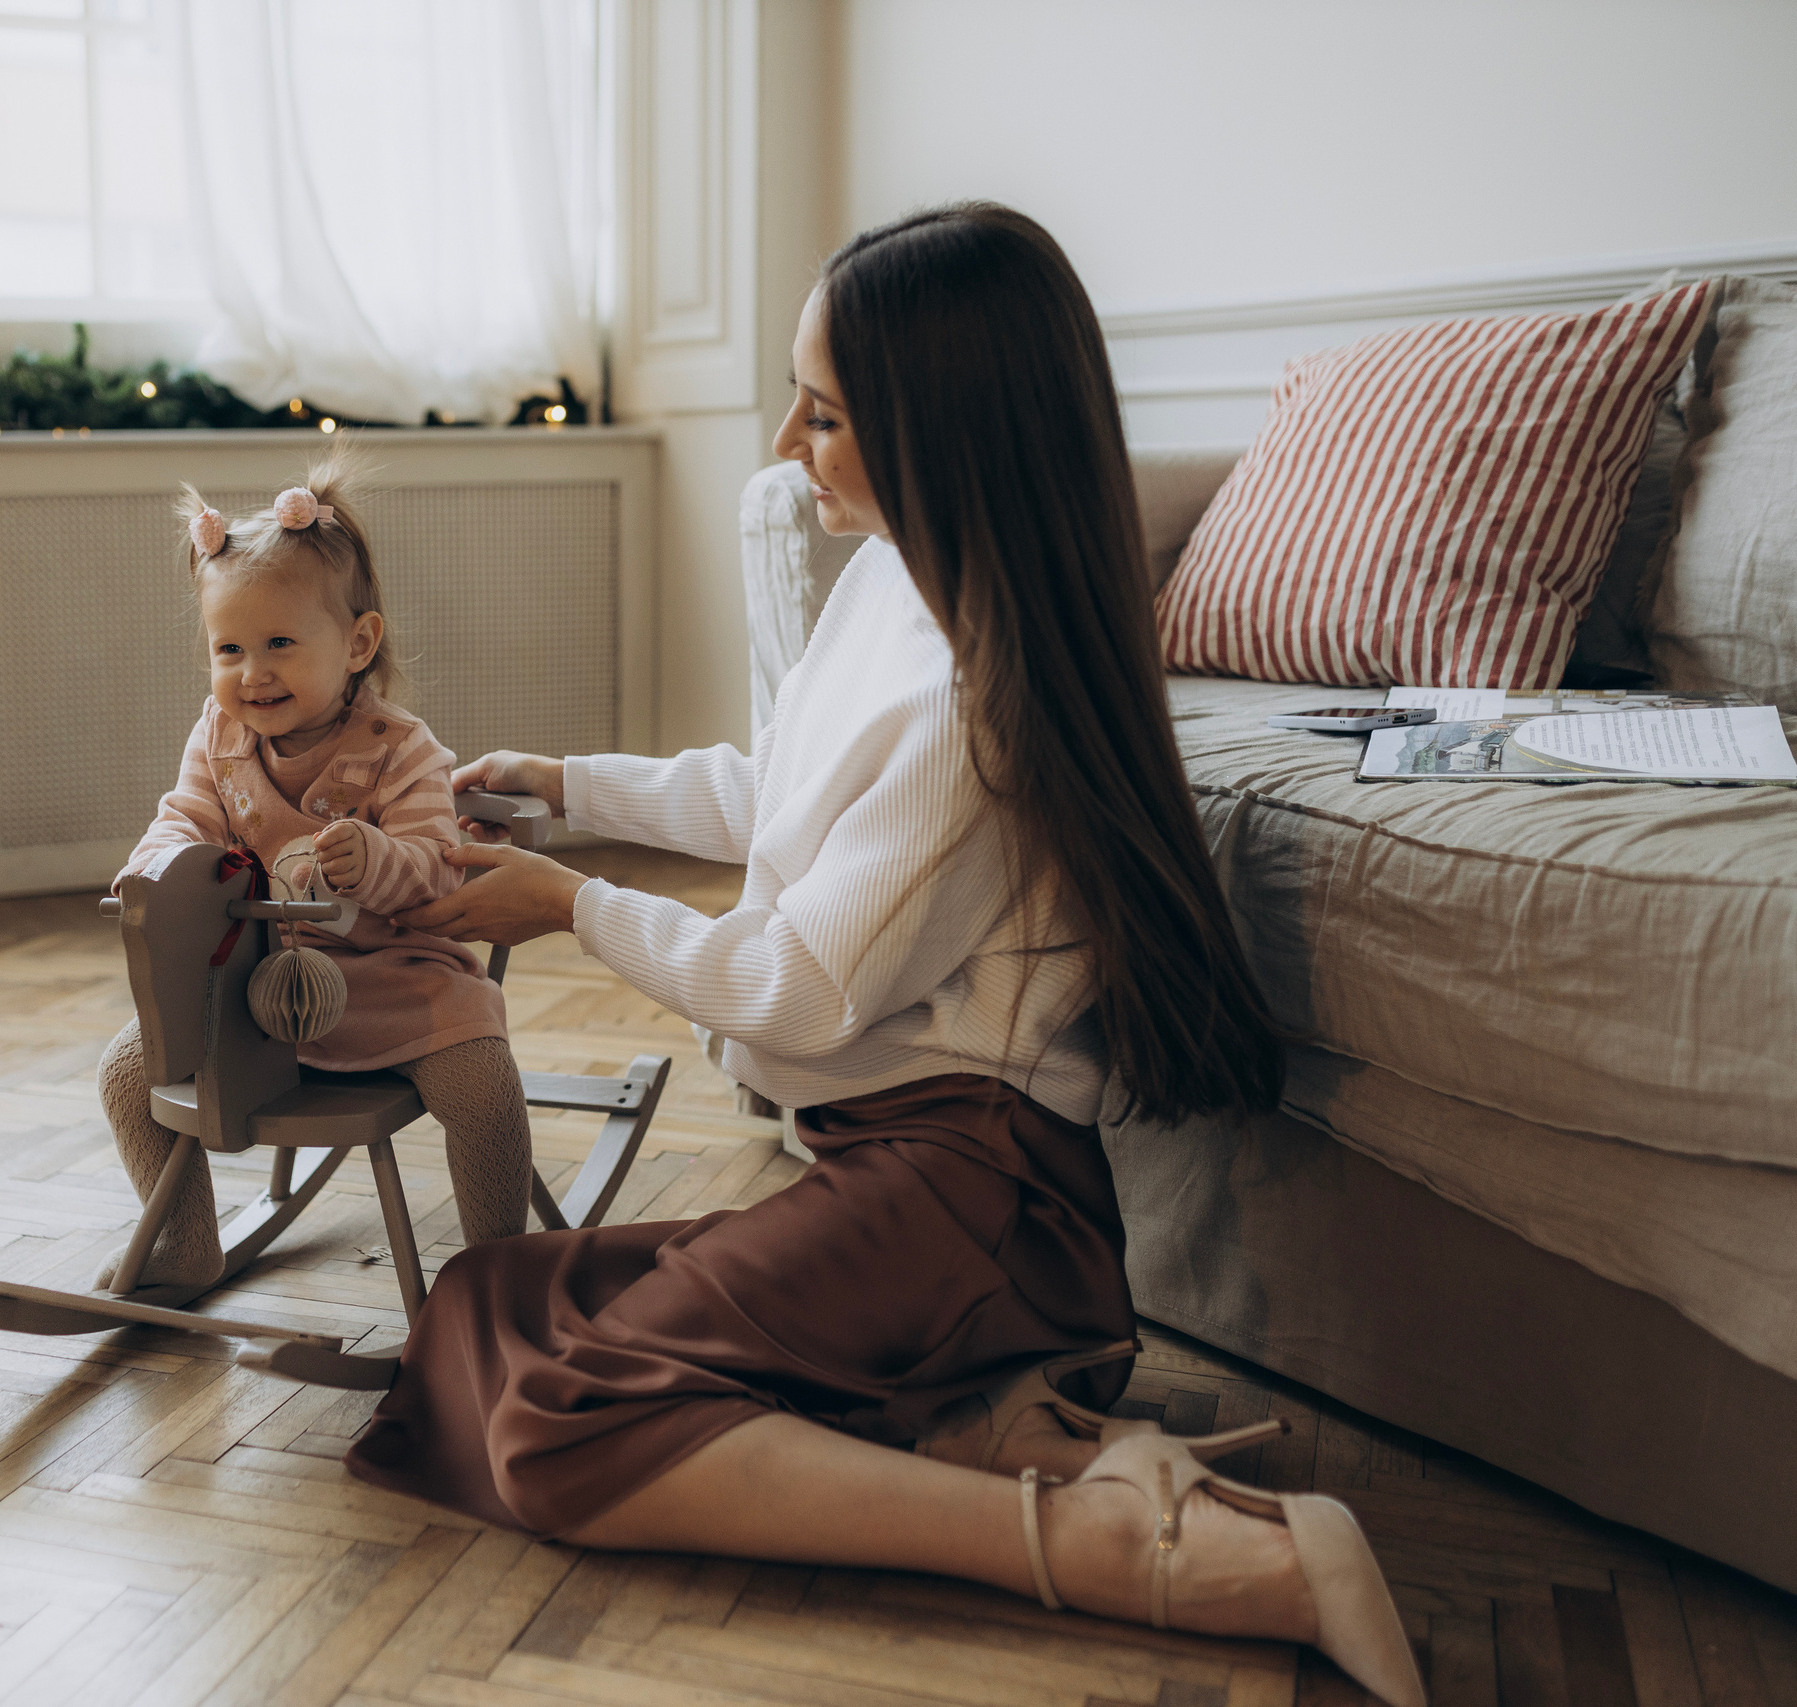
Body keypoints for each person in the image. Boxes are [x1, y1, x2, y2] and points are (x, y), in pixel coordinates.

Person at [352, 206, 1424, 1705]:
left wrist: (568, 900)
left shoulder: (973, 698)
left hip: (975, 1195)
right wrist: (573, 785)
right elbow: (780, 793)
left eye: (829, 410)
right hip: (892, 1169)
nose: (789, 434)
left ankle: (1155, 1550)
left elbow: (792, 979)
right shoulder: (889, 581)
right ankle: (977, 1414)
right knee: (485, 1305)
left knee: (556, 1420)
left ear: (943, 429)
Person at [96, 457, 533, 1290]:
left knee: (482, 1083)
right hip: (258, 988)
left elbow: (441, 870)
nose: (252, 672)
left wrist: (378, 859)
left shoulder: (399, 749)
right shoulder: (219, 738)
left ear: (357, 644)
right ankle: (185, 1241)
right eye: (229, 648)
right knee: (126, 1074)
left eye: (280, 645)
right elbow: (183, 818)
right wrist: (150, 868)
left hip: (392, 975)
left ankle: (498, 1270)